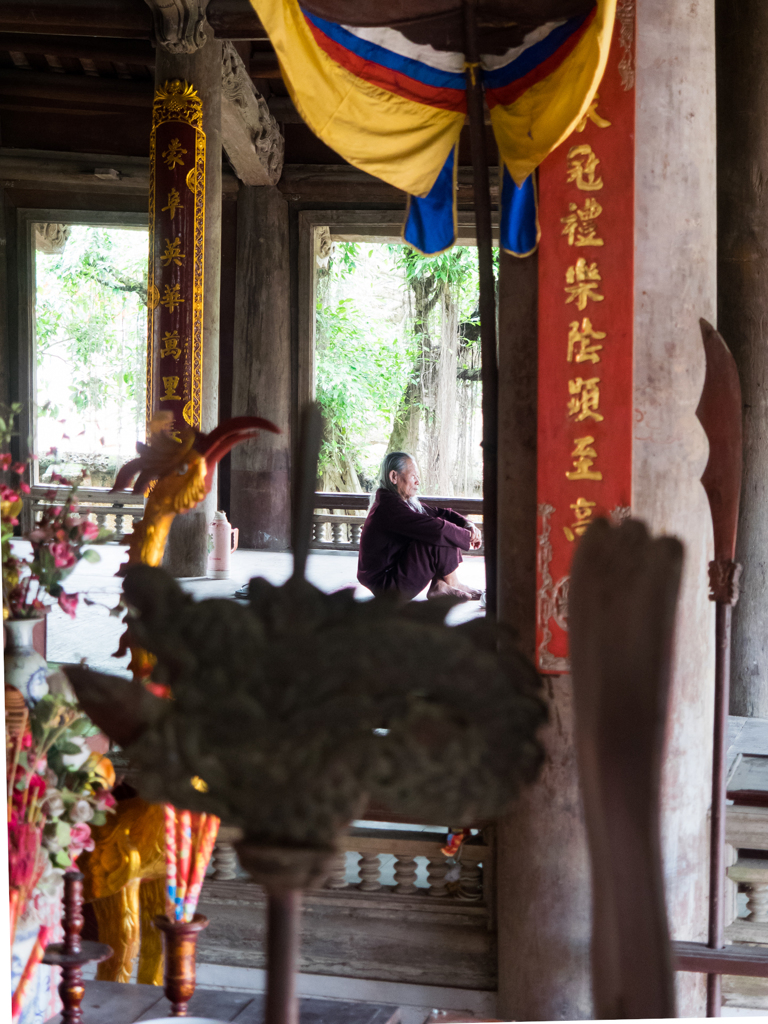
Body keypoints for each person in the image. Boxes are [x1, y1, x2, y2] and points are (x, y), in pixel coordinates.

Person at [357, 452, 483, 600]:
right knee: (440, 532)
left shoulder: (400, 501)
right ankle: (452, 583)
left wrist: (467, 524)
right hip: (386, 585)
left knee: (442, 527)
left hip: (394, 574)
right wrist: (467, 536)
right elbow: (438, 530)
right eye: (413, 476)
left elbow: (441, 513)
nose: (418, 482)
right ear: (394, 477)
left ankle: (440, 586)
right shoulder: (389, 508)